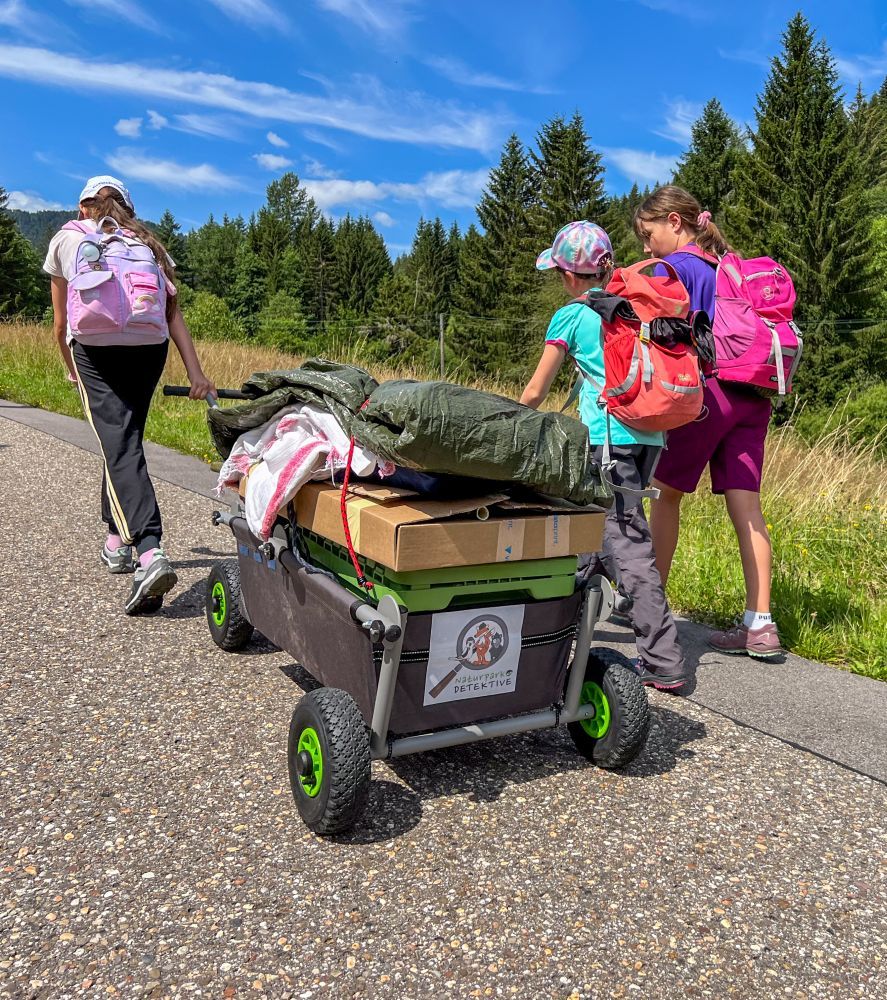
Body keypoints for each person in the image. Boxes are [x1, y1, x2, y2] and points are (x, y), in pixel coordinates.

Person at [520, 221, 688, 692]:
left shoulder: (572, 316)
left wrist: (508, 420)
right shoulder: (630, 307)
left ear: (568, 274)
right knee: (591, 536)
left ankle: (663, 659)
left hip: (606, 440)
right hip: (650, 436)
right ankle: (554, 635)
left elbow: (535, 391)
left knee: (627, 543)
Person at [43, 175, 216, 615]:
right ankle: (116, 540)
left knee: (118, 444)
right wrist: (196, 373)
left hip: (95, 350)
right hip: (148, 348)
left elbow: (60, 324)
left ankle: (149, 550)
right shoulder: (148, 243)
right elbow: (173, 316)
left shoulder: (67, 238)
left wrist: (71, 369)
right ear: (129, 209)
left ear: (83, 207)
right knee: (123, 440)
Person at [633, 185, 780, 659]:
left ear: (674, 222)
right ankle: (760, 624)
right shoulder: (725, 266)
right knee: (748, 509)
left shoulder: (677, 268)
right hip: (753, 396)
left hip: (710, 394)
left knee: (665, 495)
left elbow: (662, 338)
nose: (647, 248)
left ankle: (650, 612)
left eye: (648, 234)